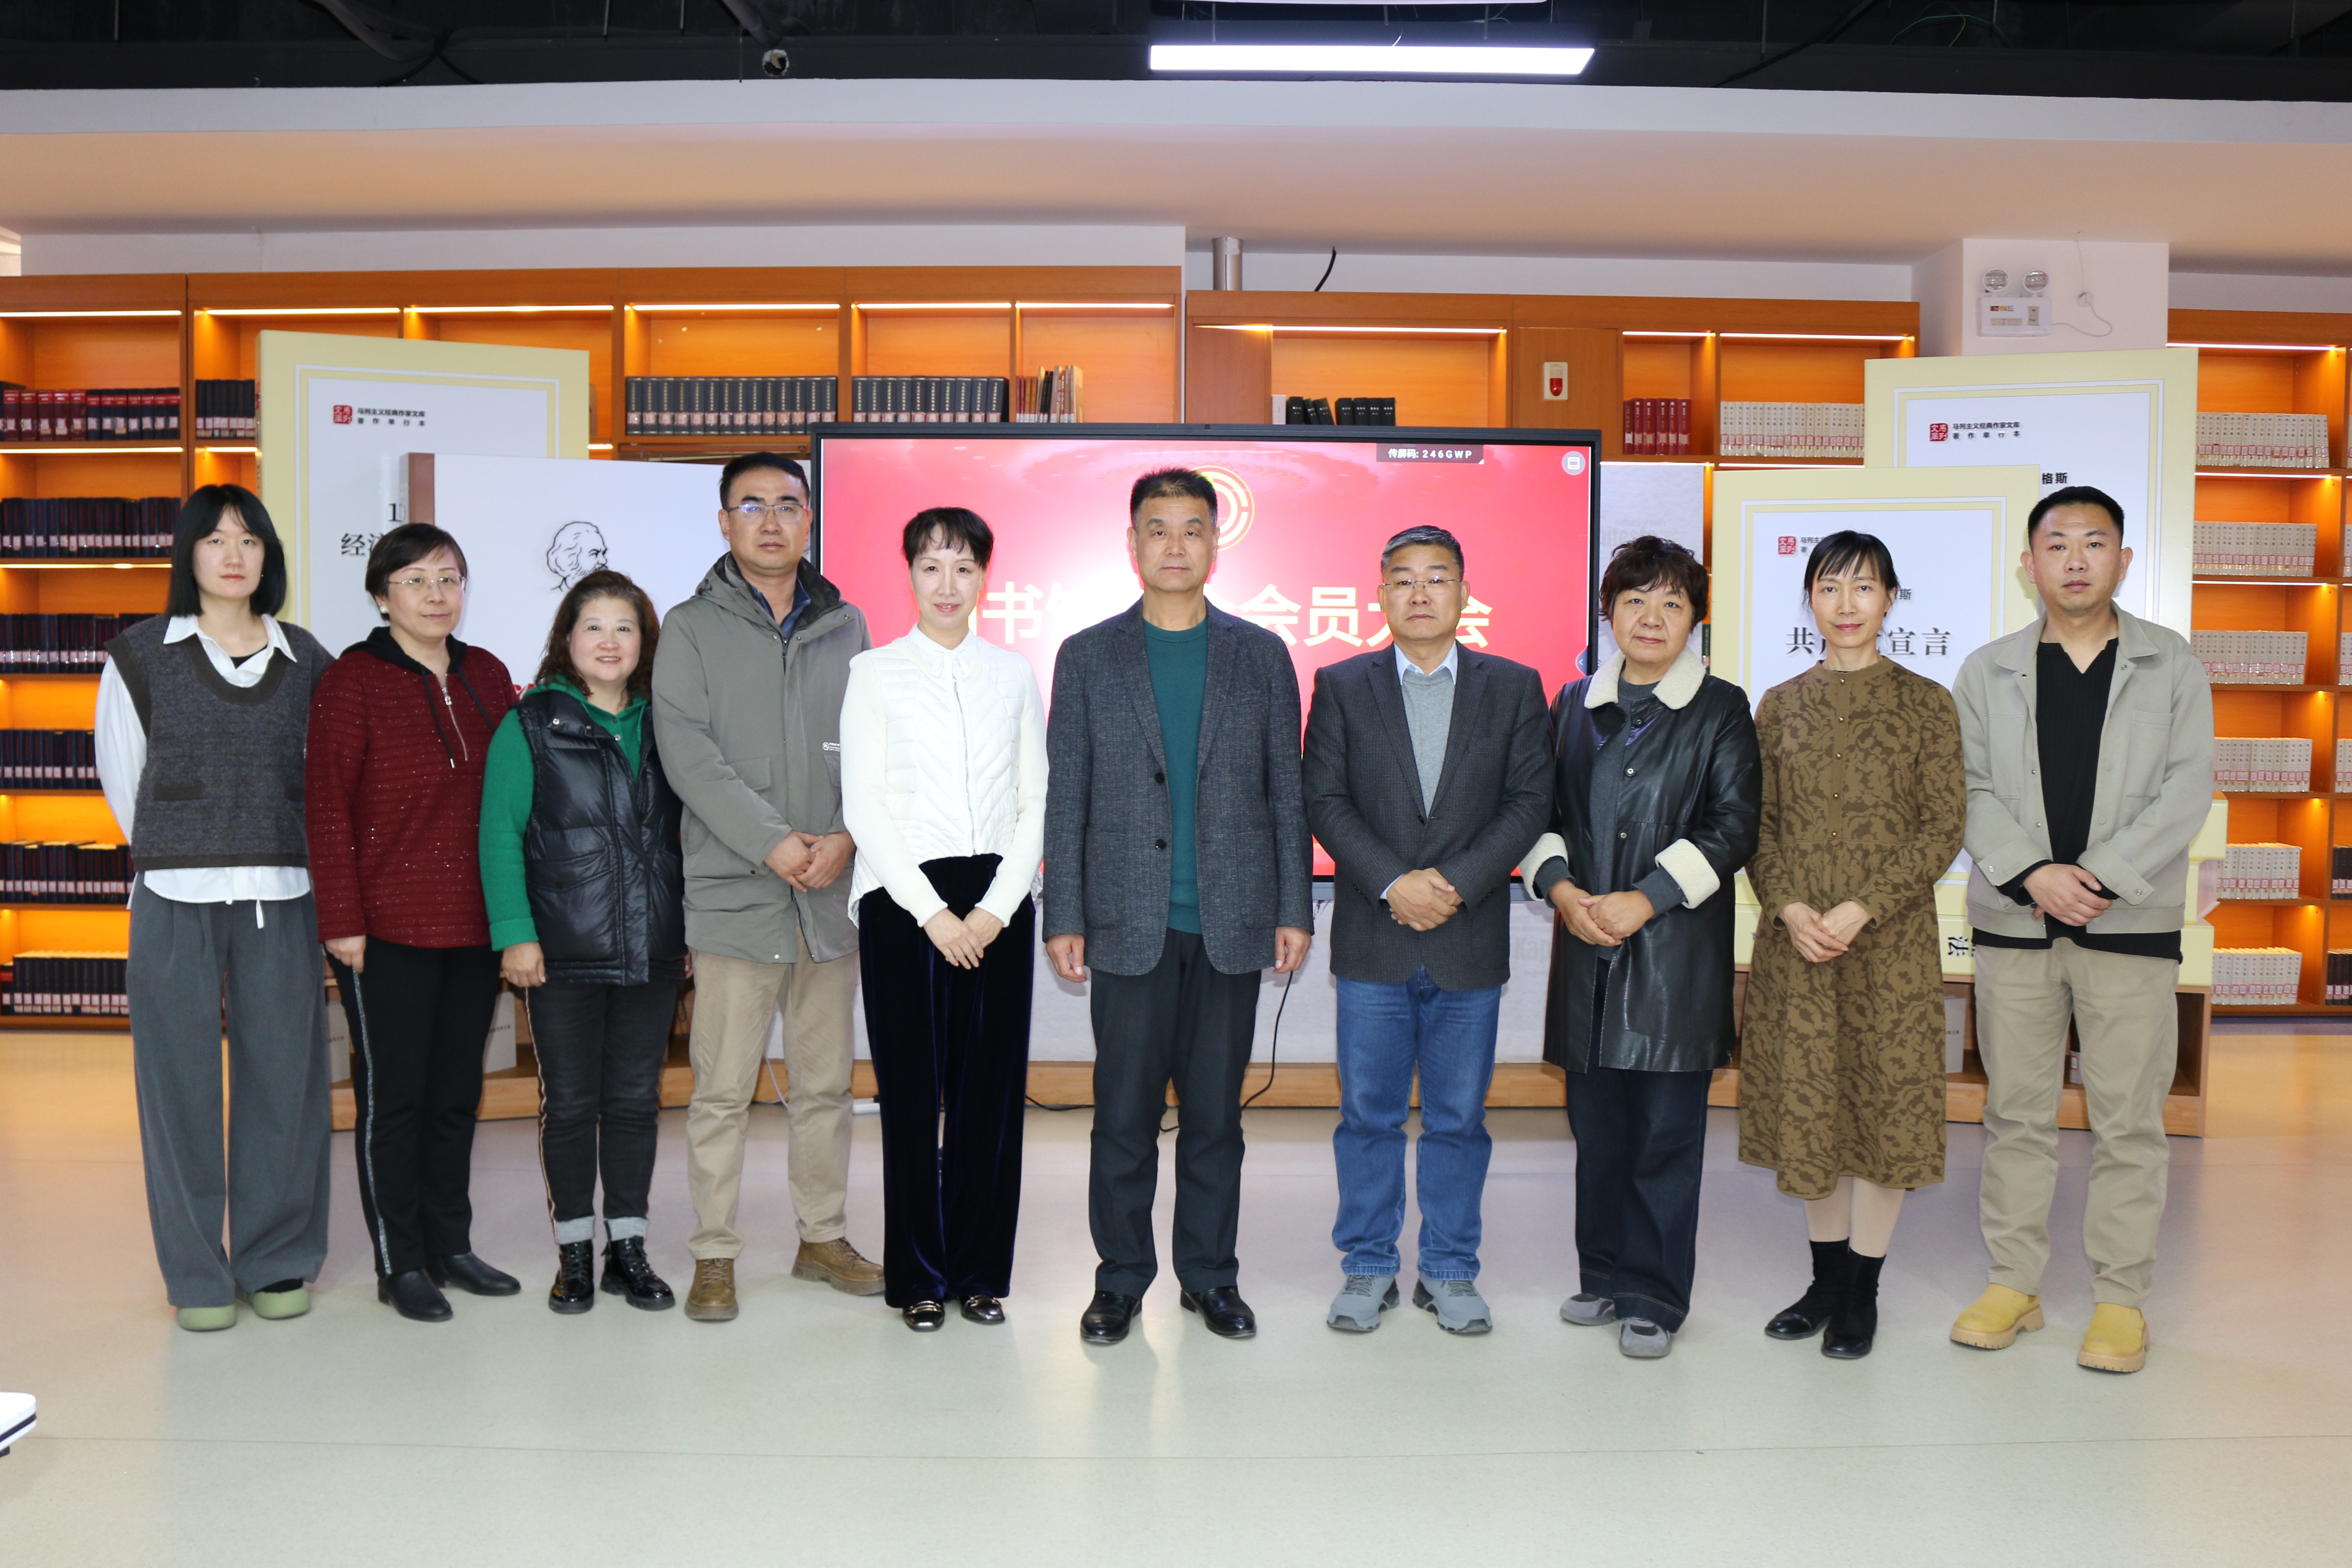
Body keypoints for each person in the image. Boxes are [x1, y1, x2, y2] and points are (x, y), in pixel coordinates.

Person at [1045, 467, 1313, 1347]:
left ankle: (1210, 1277)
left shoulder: (1260, 655)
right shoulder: (1088, 655)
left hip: (1231, 922)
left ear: (1215, 542)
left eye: (1192, 528)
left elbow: (1286, 793)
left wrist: (1294, 906)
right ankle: (1120, 1281)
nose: (1174, 545)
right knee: (1122, 1120)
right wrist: (1064, 914)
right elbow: (1067, 795)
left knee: (1214, 1122)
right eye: (1157, 529)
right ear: (1132, 545)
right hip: (1128, 925)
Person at [1950, 486, 2213, 1375]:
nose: (2075, 560)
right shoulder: (1988, 670)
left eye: (2094, 543)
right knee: (2015, 1114)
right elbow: (1968, 789)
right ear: (2029, 564)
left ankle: (2121, 1300)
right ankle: (2013, 1284)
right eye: (2057, 544)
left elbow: (2187, 789)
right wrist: (2034, 873)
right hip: (2017, 922)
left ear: (2123, 561)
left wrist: (2093, 878)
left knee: (2129, 1122)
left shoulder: (2171, 664)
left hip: (2127, 922)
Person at [1302, 524, 1550, 1336]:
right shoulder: (1342, 684)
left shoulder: (1514, 687)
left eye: (1437, 578)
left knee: (1457, 1120)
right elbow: (1324, 798)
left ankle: (1449, 1269)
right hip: (1373, 939)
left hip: (1466, 937)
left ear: (1464, 594)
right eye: (1403, 579)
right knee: (1368, 1117)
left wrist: (1454, 885)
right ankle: (1368, 1265)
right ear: (1380, 595)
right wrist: (1391, 882)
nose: (1420, 593)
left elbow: (1529, 804)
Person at [98, 484, 334, 1332]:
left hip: (283, 896)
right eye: (215, 539)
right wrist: (183, 847)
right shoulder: (139, 655)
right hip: (174, 897)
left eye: (250, 540)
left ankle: (276, 1260)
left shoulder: (307, 658)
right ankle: (197, 1275)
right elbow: (124, 780)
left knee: (286, 1084)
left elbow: (325, 780)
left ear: (268, 556)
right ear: (188, 554)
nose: (234, 555)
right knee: (178, 1089)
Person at [651, 451, 879, 1323]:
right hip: (736, 894)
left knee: (825, 1088)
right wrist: (773, 842)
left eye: (788, 504)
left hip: (828, 895)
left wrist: (848, 837)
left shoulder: (848, 625)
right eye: (752, 505)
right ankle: (714, 1255)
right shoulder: (689, 627)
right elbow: (688, 755)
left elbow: (875, 747)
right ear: (724, 522)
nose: (772, 521)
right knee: (721, 1093)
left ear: (810, 518)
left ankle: (822, 1238)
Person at [1524, 535, 1759, 1360]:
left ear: (1695, 619)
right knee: (1598, 1133)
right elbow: (1540, 815)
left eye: (1671, 603)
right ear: (1608, 612)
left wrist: (1646, 898)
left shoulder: (1721, 708)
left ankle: (1655, 1294)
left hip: (1675, 960)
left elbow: (1734, 826)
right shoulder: (1572, 704)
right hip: (1586, 946)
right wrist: (1561, 890)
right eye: (1634, 601)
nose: (1651, 618)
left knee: (1665, 1137)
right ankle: (1601, 1276)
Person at [1739, 532, 1965, 1360]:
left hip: (1889, 948)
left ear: (1891, 600)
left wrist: (1863, 908)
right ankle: (1823, 1284)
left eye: (1864, 588)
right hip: (1798, 946)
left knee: (1883, 1110)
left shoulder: (1926, 703)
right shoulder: (1779, 704)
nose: (1846, 605)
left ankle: (1863, 1293)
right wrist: (1791, 906)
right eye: (1829, 588)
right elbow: (1757, 825)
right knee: (1813, 1111)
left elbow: (1944, 825)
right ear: (1810, 600)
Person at [840, 508, 1048, 1332]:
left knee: (988, 1102)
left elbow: (1036, 800)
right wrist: (933, 915)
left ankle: (980, 1273)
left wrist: (996, 910)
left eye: (964, 568)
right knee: (911, 1098)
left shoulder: (1014, 674)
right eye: (932, 567)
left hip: (999, 903)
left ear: (985, 577)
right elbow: (864, 805)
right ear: (910, 575)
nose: (948, 584)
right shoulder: (874, 672)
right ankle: (920, 1277)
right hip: (903, 906)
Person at [308, 523, 519, 1323]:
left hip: (475, 923)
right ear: (381, 596)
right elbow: (327, 807)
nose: (437, 595)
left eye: (450, 579)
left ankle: (450, 1245)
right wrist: (341, 920)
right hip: (384, 929)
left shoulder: (487, 674)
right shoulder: (352, 682)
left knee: (456, 1095)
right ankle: (399, 1262)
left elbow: (514, 799)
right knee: (393, 1101)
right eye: (417, 581)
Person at [479, 570, 685, 1315]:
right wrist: (516, 937)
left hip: (652, 947)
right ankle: (573, 1253)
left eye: (624, 628)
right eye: (593, 626)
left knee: (633, 1102)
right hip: (561, 950)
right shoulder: (531, 723)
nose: (609, 641)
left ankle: (627, 1249)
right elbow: (500, 836)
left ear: (644, 642)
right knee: (568, 1104)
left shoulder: (668, 723)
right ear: (567, 639)